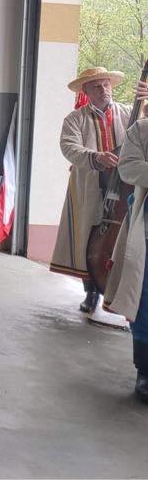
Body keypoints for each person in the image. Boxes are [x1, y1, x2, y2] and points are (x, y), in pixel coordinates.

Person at [55, 67, 146, 324]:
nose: (103, 89)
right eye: (96, 86)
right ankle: (91, 291)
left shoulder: (128, 112)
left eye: (106, 84)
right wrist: (95, 157)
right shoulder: (75, 119)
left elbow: (144, 131)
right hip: (90, 185)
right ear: (86, 91)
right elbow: (69, 147)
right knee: (87, 233)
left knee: (121, 237)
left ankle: (115, 290)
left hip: (123, 187)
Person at [107, 118, 148, 404]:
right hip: (146, 228)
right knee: (144, 298)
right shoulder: (141, 130)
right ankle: (145, 369)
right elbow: (128, 167)